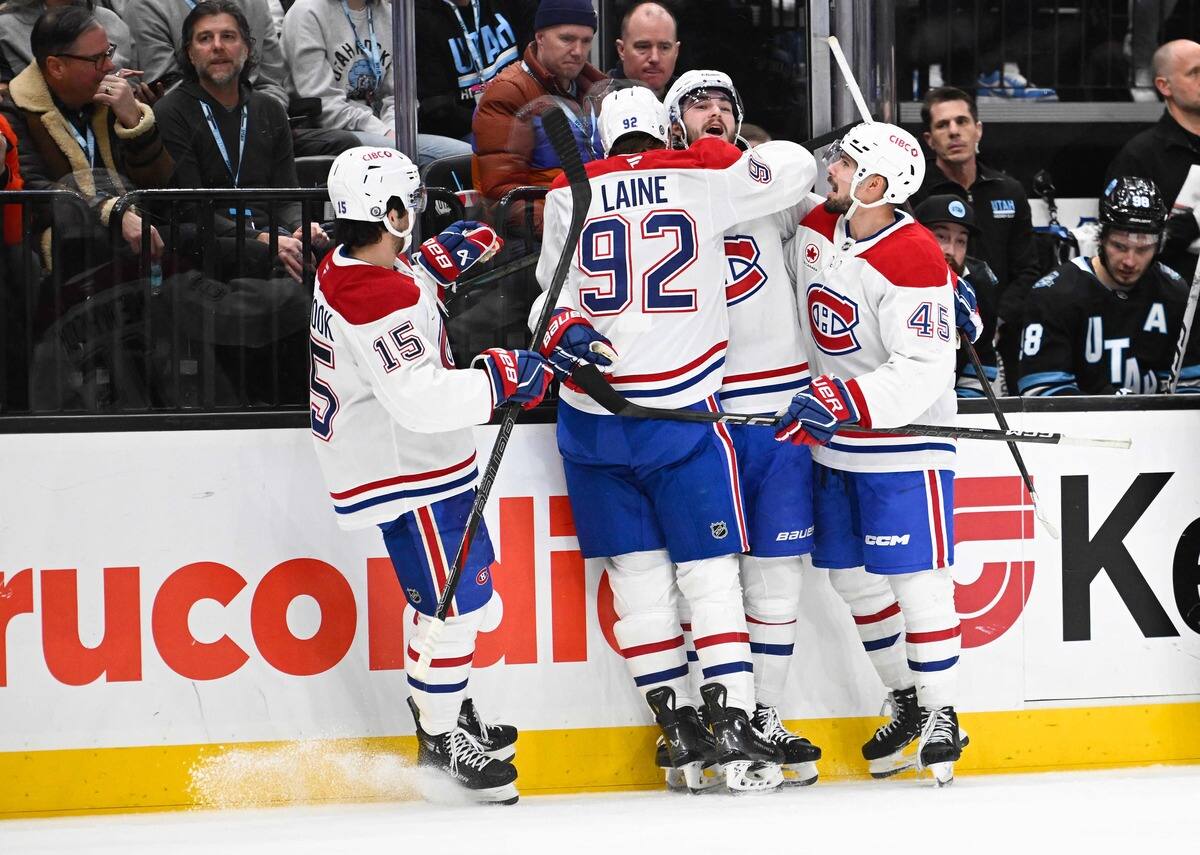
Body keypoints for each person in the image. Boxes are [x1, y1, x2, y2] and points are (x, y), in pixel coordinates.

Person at [534, 84, 818, 792]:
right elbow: (797, 167)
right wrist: (721, 153)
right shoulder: (702, 179)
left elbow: (548, 301)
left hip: (591, 420)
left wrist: (565, 327)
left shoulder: (571, 191)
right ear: (666, 128)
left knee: (638, 579)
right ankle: (734, 716)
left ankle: (677, 726)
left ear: (601, 138)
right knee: (710, 572)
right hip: (680, 415)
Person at [310, 145, 553, 804]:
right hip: (406, 471)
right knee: (455, 605)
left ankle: (448, 706)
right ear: (387, 213)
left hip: (417, 464)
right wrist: (498, 377)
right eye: (408, 206)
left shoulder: (356, 267)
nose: (416, 214)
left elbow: (398, 289)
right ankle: (441, 733)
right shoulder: (372, 295)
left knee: (458, 597)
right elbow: (416, 396)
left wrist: (431, 266)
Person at [782, 121, 965, 785]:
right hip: (839, 442)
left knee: (918, 580)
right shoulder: (818, 226)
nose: (831, 169)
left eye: (847, 163)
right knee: (852, 578)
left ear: (875, 185)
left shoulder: (914, 256)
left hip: (904, 440)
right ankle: (910, 698)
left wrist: (844, 401)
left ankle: (946, 712)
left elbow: (924, 370)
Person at [659, 68, 822, 788]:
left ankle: (764, 715)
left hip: (782, 413)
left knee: (776, 577)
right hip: (710, 416)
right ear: (673, 123)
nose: (716, 112)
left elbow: (834, 216)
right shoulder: (660, 192)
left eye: (727, 103)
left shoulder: (769, 187)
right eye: (699, 104)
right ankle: (714, 718)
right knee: (709, 579)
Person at [154, 0, 327, 282]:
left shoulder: (270, 110)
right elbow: (190, 209)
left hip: (269, 232)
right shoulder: (170, 112)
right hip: (209, 238)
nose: (217, 46)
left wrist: (301, 226)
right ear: (190, 53)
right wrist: (263, 239)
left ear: (246, 49)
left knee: (326, 248)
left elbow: (287, 195)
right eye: (205, 38)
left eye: (228, 36)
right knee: (274, 262)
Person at [0, 6, 172, 269]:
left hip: (134, 234)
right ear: (56, 67)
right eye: (97, 59)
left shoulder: (113, 101)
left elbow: (162, 186)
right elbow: (33, 193)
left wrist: (134, 124)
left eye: (108, 52)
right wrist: (109, 211)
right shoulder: (17, 111)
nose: (110, 66)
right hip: (65, 253)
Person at [1019, 176, 1200, 396]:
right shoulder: (1054, 294)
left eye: (1143, 249)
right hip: (1080, 428)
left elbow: (1190, 390)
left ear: (1159, 244)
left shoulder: (1175, 293)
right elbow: (1041, 393)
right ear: (1101, 237)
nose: (1130, 261)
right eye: (1119, 246)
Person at [912, 86, 1040, 394]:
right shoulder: (914, 195)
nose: (954, 132)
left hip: (1000, 337)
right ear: (929, 139)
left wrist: (996, 321)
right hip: (932, 333)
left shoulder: (1009, 191)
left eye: (962, 121)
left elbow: (1027, 271)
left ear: (978, 129)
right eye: (943, 125)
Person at [129, 0, 356, 157]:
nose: (217, 45)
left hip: (256, 118)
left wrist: (260, 118)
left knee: (345, 146)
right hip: (197, 124)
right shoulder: (146, 5)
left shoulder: (255, 4)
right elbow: (165, 85)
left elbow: (272, 82)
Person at [282, 0, 470, 164]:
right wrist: (383, 132)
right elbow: (323, 104)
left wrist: (394, 129)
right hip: (335, 134)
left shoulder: (389, 13)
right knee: (460, 157)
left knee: (467, 157)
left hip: (384, 130)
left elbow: (400, 95)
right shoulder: (307, 12)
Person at [470, 0, 606, 222]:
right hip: (542, 238)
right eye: (567, 39)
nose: (578, 51)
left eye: (586, 41)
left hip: (600, 220)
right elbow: (503, 198)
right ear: (540, 37)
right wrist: (571, 224)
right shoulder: (507, 94)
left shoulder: (599, 93)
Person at [1107, 39, 1200, 285]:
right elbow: (1123, 246)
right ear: (1164, 86)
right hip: (1172, 300)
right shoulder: (1140, 155)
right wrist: (1192, 223)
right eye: (1194, 73)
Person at [414, 0, 534, 145]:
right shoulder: (420, 18)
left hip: (524, 110)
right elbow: (438, 109)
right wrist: (497, 121)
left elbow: (538, 56)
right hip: (464, 131)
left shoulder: (510, 5)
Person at [913, 194, 996, 397]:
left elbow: (983, 358)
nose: (951, 250)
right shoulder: (886, 276)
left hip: (948, 407)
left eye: (961, 241)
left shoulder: (978, 287)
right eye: (941, 236)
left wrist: (960, 405)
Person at [0, 0, 134, 86]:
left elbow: (133, 83)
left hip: (114, 119)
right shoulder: (7, 28)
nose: (108, 65)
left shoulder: (110, 20)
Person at [608, 1, 678, 98]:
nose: (655, 58)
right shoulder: (597, 103)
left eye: (664, 47)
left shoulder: (693, 99)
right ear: (622, 50)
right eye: (643, 47)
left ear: (676, 51)